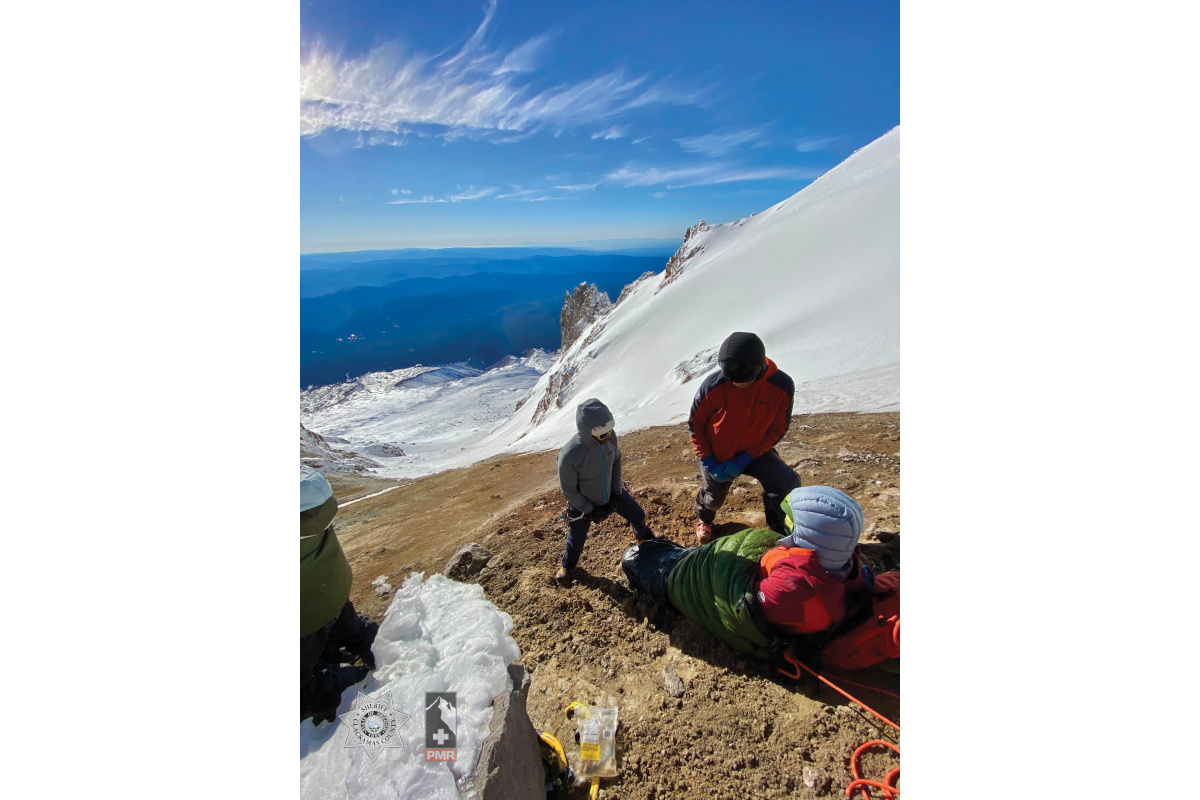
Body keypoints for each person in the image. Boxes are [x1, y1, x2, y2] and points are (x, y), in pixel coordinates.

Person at [688, 331, 802, 543]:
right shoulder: (713, 386)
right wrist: (708, 461)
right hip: (717, 453)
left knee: (786, 483)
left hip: (755, 450)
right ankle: (704, 518)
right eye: (731, 379)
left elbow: (778, 428)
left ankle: (777, 528)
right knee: (713, 499)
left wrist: (748, 456)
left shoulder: (781, 386)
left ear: (759, 367)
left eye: (745, 379)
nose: (738, 384)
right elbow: (695, 425)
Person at [300, 465, 379, 725]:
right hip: (332, 588)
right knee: (352, 631)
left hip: (305, 616)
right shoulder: (312, 489)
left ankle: (352, 681)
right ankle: (386, 649)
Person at [555, 397, 658, 584]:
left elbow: (616, 460)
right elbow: (569, 491)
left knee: (638, 516)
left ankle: (642, 536)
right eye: (602, 434)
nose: (608, 437)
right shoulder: (570, 455)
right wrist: (591, 510)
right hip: (583, 504)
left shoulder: (610, 437)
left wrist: (616, 493)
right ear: (587, 432)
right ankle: (568, 567)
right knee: (576, 540)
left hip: (610, 493)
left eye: (609, 431)